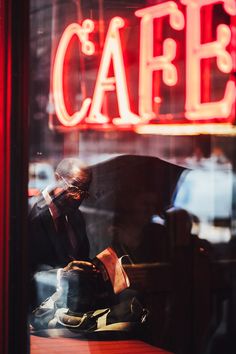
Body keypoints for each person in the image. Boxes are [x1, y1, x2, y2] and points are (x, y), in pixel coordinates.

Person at [29, 157, 93, 306]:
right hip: (38, 306)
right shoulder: (31, 215)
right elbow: (18, 274)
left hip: (71, 304)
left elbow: (81, 258)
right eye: (74, 188)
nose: (78, 197)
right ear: (56, 179)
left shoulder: (76, 216)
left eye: (84, 192)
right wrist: (60, 276)